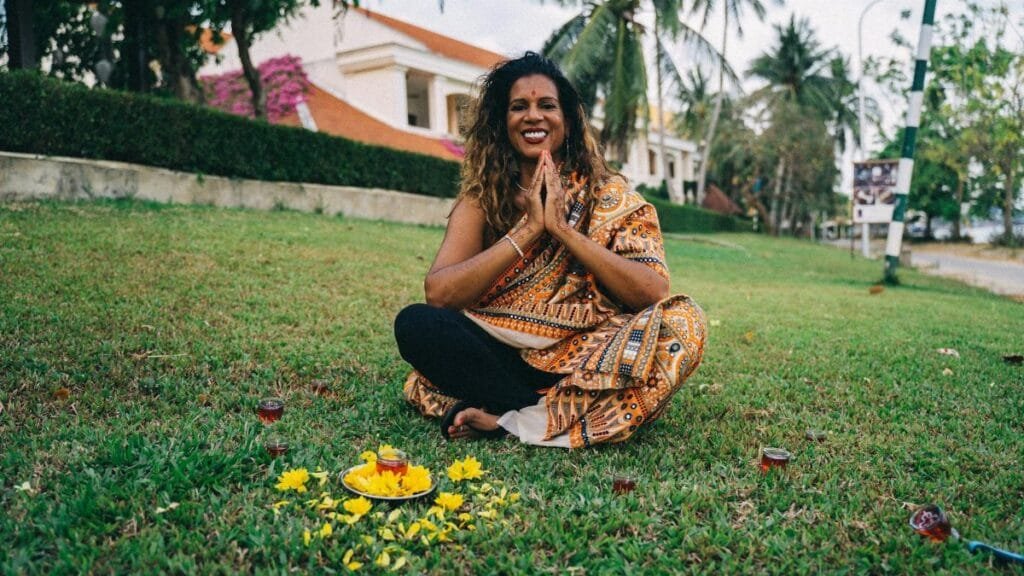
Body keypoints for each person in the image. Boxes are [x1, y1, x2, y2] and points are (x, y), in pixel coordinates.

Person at [394, 52, 706, 448]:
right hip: (498, 357)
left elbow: (651, 292)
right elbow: (439, 295)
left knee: (683, 324)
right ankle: (539, 412)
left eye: (547, 105)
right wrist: (528, 230)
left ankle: (506, 417)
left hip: (586, 361)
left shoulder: (607, 194)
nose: (533, 116)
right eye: (518, 107)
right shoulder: (483, 200)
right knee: (417, 325)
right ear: (501, 123)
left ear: (568, 120)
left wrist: (563, 231)